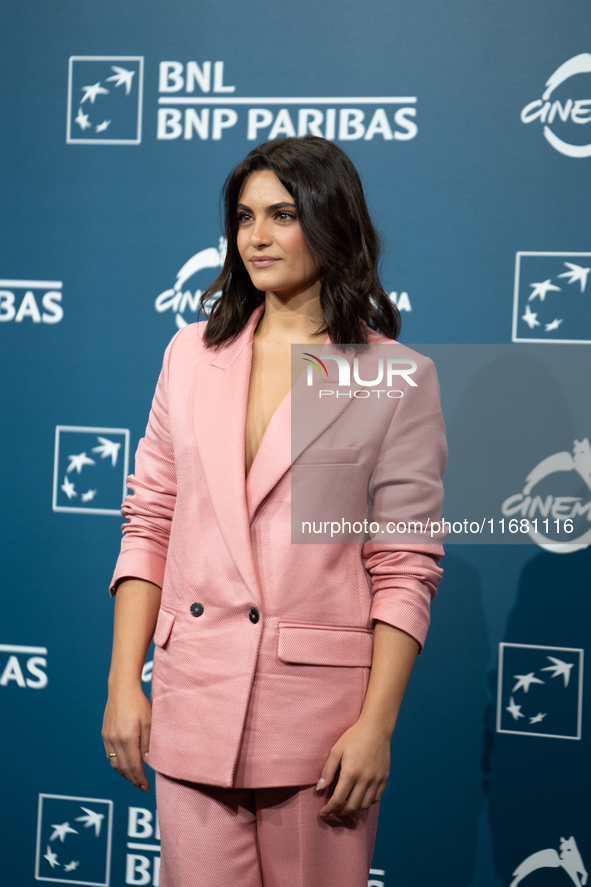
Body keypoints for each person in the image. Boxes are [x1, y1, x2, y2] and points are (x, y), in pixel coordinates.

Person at [102, 135, 447, 887]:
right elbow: (149, 521)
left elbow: (404, 566)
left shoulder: (397, 377)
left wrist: (375, 726)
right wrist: (123, 681)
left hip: (320, 729)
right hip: (192, 702)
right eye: (243, 216)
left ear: (330, 221)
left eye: (281, 215)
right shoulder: (188, 355)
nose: (255, 236)